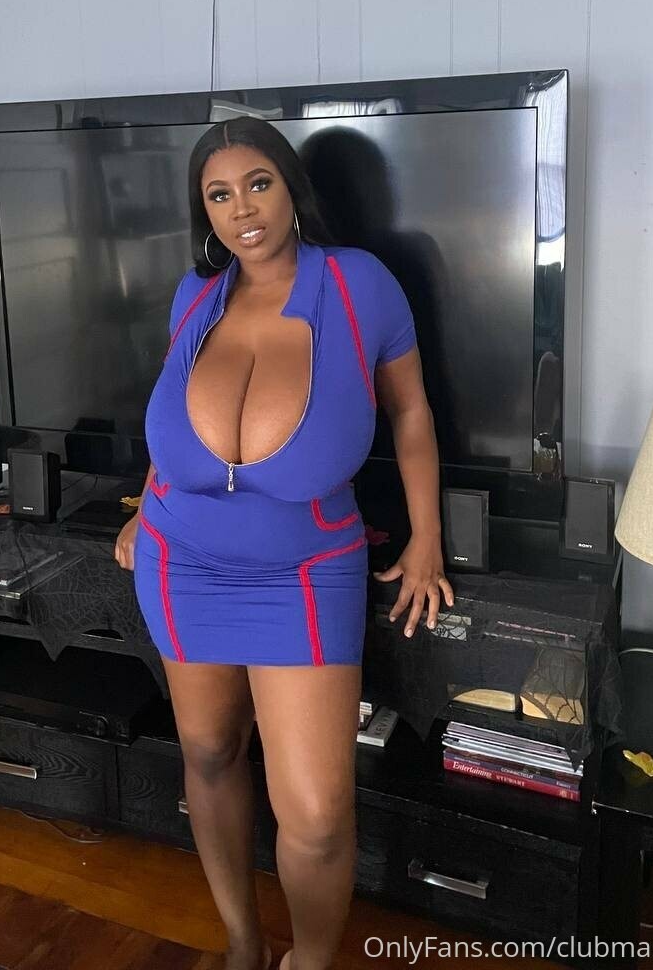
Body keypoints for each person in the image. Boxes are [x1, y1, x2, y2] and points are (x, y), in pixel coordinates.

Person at [114, 115, 452, 970]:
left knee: (317, 813)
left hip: (303, 573)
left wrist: (427, 539)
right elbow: (175, 425)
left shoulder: (358, 285)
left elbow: (412, 411)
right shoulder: (194, 296)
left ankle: (310, 960)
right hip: (180, 562)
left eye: (258, 183)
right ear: (204, 212)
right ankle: (242, 942)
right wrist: (143, 505)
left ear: (291, 190)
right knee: (208, 751)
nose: (242, 209)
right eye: (218, 194)